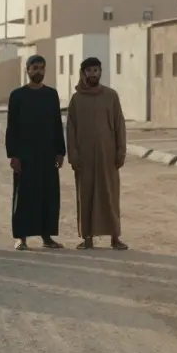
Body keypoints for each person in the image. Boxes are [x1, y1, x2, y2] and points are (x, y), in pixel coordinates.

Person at [65, 57, 129, 250]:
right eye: (89, 71)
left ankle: (115, 237)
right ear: (83, 73)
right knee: (86, 196)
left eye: (96, 70)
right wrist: (73, 155)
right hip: (84, 158)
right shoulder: (76, 99)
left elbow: (119, 124)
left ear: (100, 72)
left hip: (107, 155)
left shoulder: (111, 96)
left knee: (110, 195)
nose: (93, 74)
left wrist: (120, 151)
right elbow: (71, 129)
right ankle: (87, 238)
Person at [5, 54, 65, 250]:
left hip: (47, 154)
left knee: (48, 195)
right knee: (23, 196)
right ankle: (21, 238)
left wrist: (60, 152)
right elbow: (11, 127)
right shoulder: (17, 95)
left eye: (41, 68)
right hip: (25, 155)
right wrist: (13, 155)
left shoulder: (51, 94)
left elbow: (57, 124)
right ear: (27, 70)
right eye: (34, 68)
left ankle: (47, 237)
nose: (38, 71)